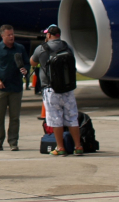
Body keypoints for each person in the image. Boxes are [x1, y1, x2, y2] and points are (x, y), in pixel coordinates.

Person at [31, 25, 84, 156]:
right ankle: (78, 146)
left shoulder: (42, 48)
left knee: (55, 119)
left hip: (51, 89)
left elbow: (32, 62)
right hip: (67, 88)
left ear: (49, 35)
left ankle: (60, 147)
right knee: (72, 117)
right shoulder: (67, 47)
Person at [0, 25, 28, 152]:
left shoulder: (20, 48)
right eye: (8, 35)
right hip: (0, 89)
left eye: (12, 34)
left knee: (14, 117)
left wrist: (25, 70)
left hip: (16, 88)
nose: (11, 37)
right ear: (2, 36)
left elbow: (26, 62)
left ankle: (13, 142)